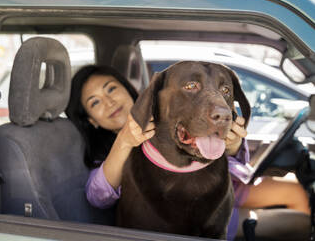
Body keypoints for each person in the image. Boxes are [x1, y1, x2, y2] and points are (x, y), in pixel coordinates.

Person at [66, 64, 309, 239]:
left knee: (299, 191)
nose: (108, 102)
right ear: (91, 120)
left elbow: (230, 166)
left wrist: (233, 146)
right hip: (193, 218)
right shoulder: (104, 149)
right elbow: (97, 197)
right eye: (94, 102)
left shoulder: (170, 114)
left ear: (129, 89)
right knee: (300, 224)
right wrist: (124, 142)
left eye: (111, 89)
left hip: (226, 191)